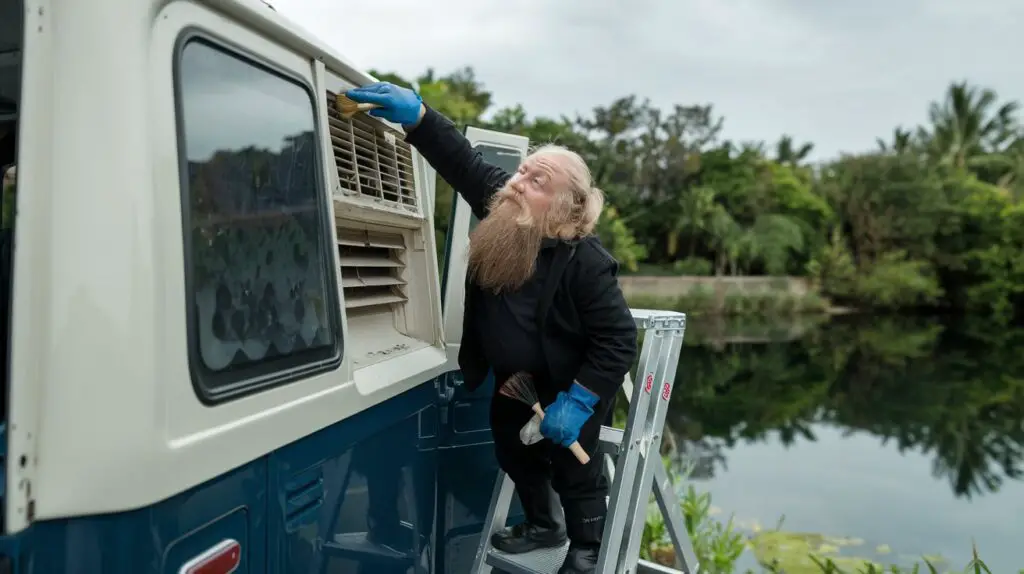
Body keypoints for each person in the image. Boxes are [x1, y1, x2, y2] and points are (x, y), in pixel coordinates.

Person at [346, 82, 638, 574]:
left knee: (575, 467)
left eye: (536, 179)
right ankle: (544, 525)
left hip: (570, 384)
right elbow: (460, 160)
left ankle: (587, 547)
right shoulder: (507, 209)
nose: (518, 181)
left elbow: (618, 340)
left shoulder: (586, 262)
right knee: (511, 450)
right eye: (523, 170)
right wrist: (418, 116)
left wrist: (582, 400)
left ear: (565, 205)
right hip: (512, 380)